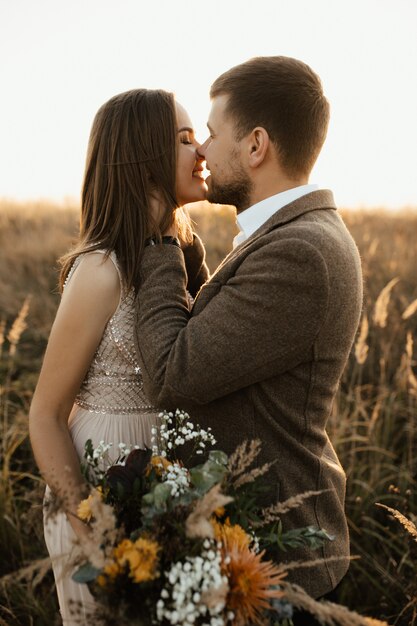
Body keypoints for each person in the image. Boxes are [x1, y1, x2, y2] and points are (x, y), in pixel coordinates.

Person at [134, 56, 363, 620]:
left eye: (211, 133)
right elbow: (235, 335)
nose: (203, 151)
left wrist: (161, 244)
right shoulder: (293, 233)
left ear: (256, 144)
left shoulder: (300, 252)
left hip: (276, 565)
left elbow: (174, 372)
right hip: (254, 550)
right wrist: (190, 255)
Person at [29, 88, 209, 626]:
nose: (201, 150)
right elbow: (44, 414)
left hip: (169, 484)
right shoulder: (103, 268)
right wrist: (92, 533)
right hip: (100, 483)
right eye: (183, 139)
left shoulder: (178, 257)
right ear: (143, 157)